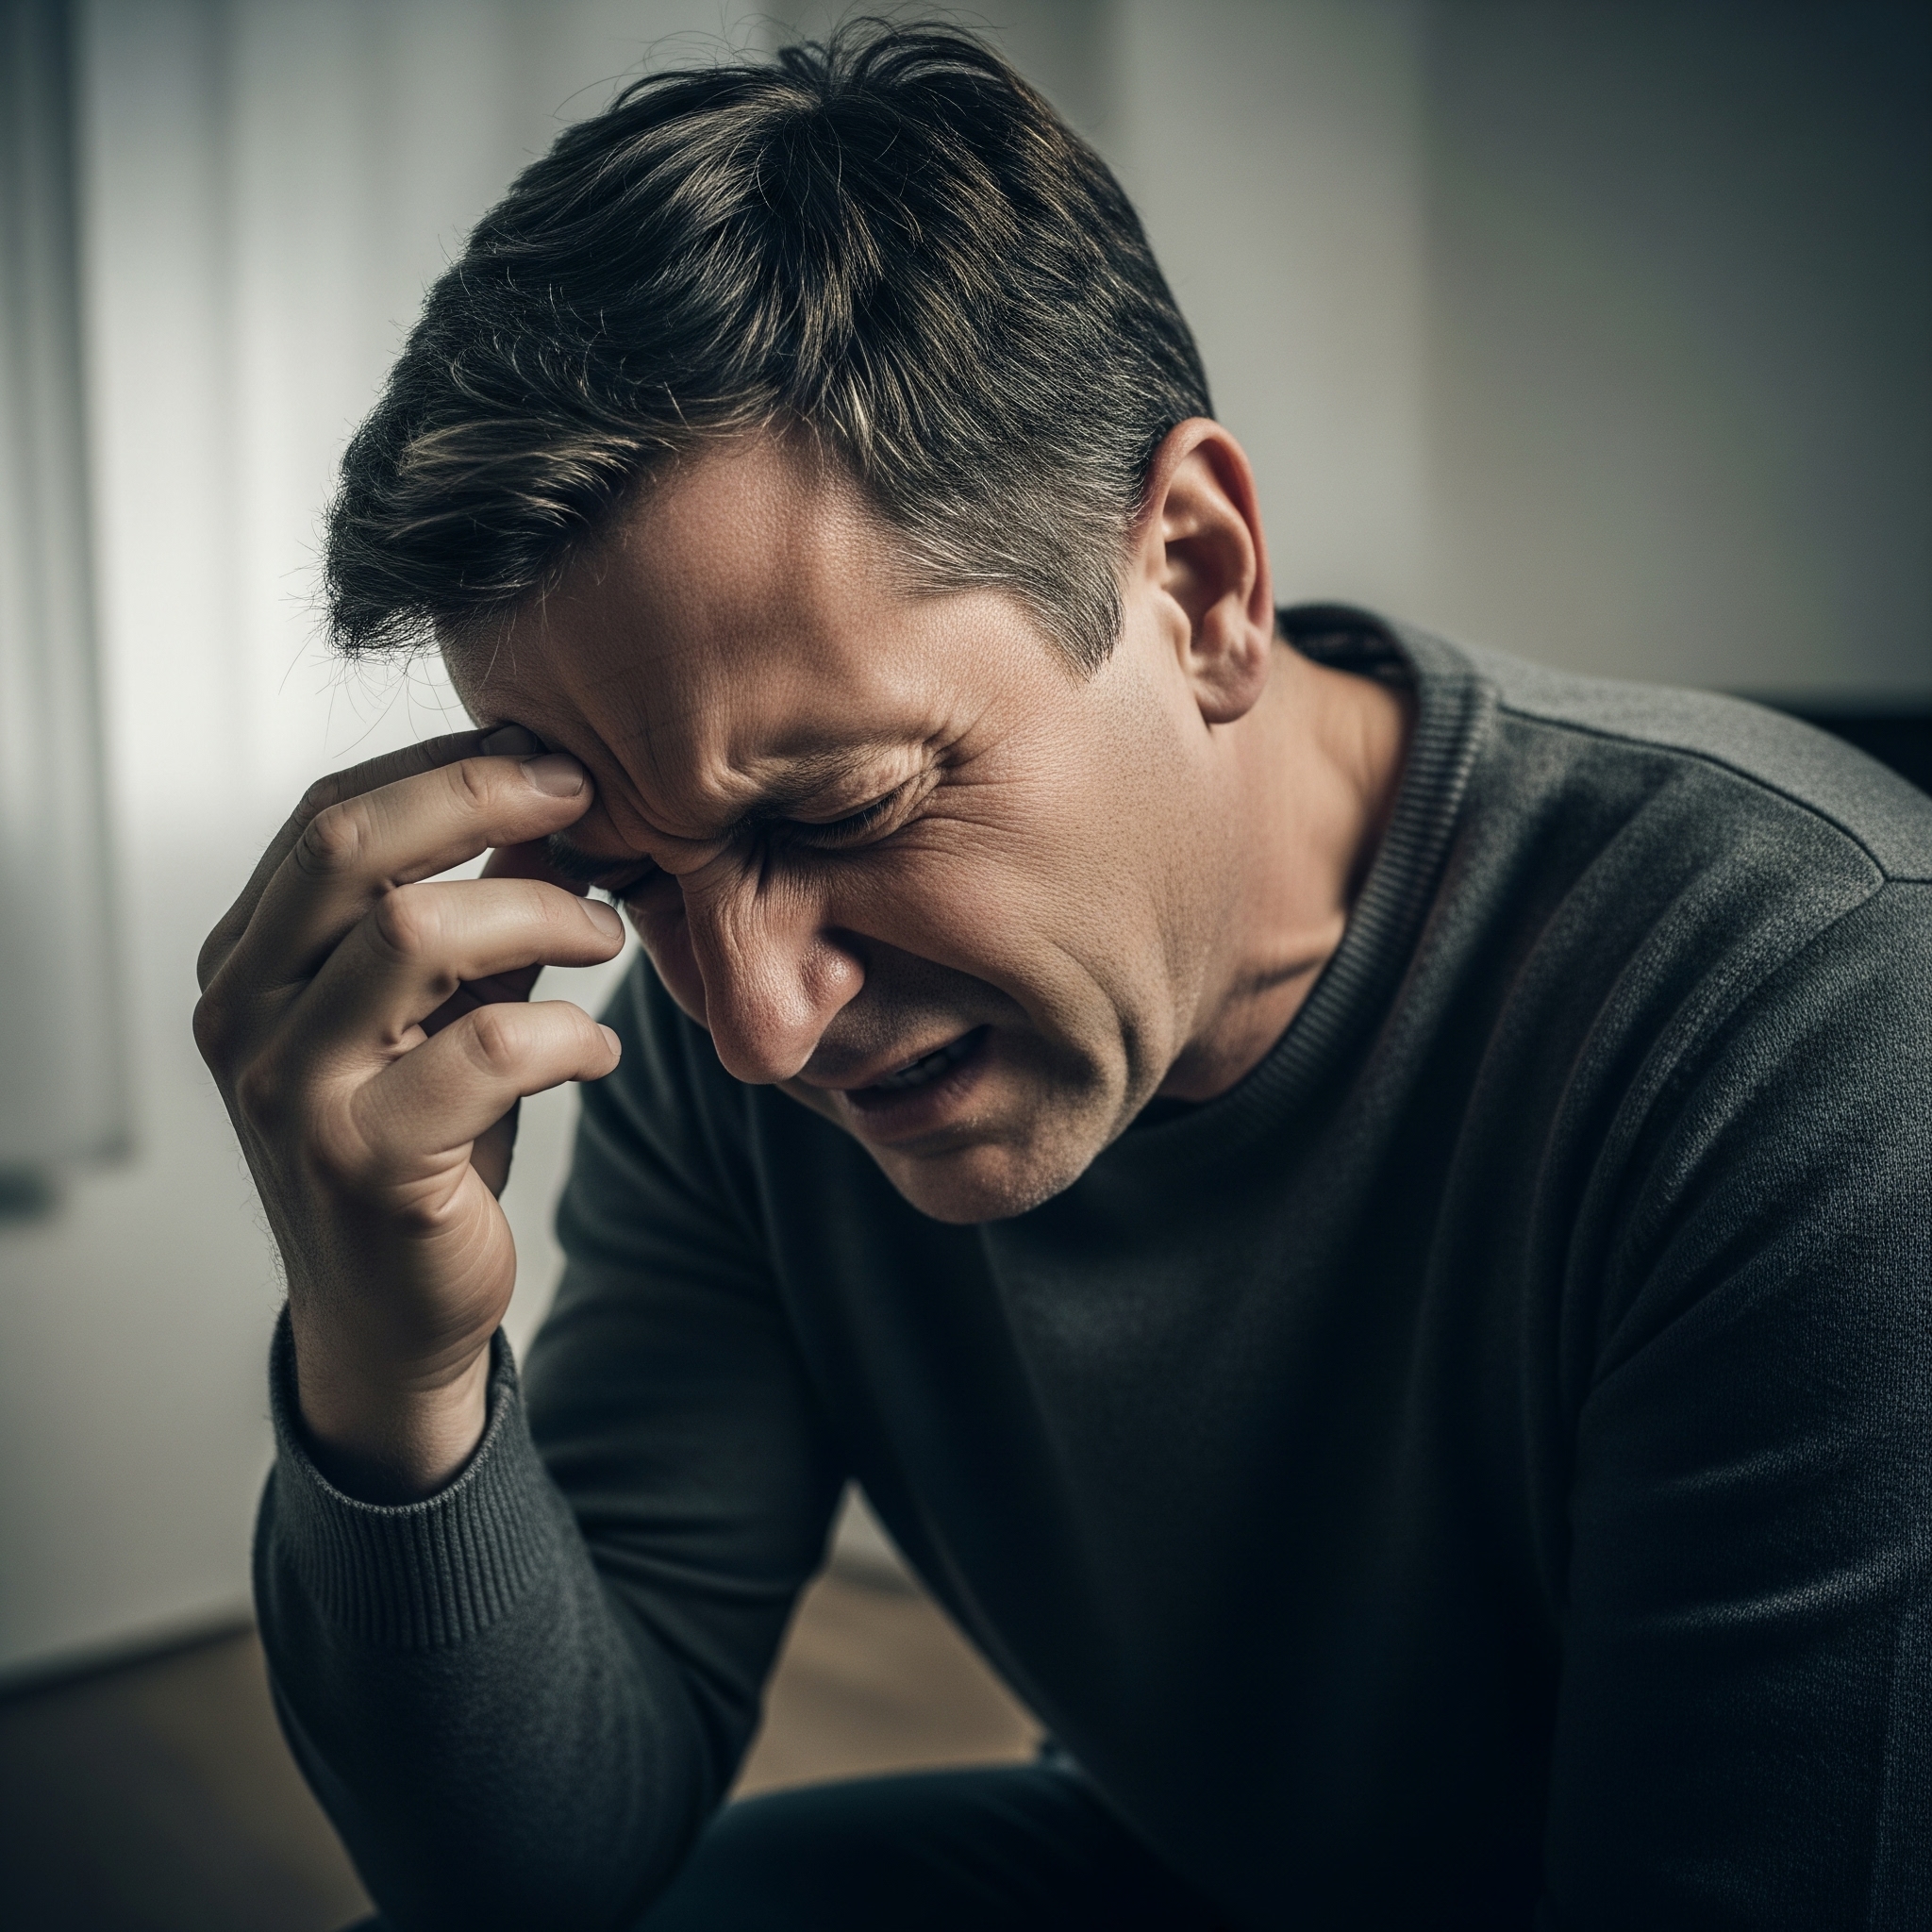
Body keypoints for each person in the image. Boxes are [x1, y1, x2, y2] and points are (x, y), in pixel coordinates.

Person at [192, 24, 1932, 1932]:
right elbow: (529, 1872)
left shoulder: (1809, 1020)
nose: (760, 1023)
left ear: (1197, 581)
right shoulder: (718, 1052)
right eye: (629, 874)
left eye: (837, 804)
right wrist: (395, 1359)